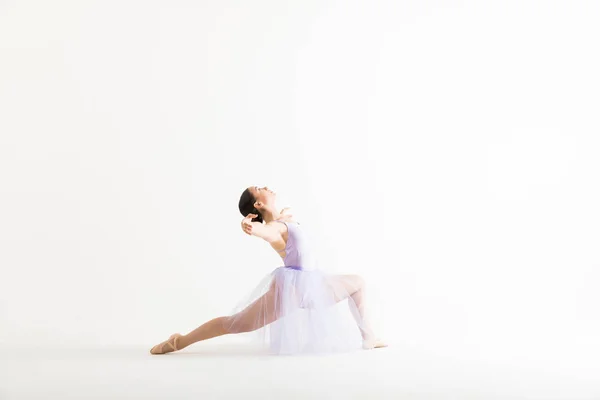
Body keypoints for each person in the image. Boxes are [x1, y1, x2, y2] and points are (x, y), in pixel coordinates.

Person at [150, 185, 387, 355]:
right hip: (291, 293)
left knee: (357, 282)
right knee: (233, 324)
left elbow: (285, 218)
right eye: (259, 188)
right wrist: (250, 226)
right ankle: (179, 342)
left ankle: (369, 338)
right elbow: (266, 231)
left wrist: (283, 215)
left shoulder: (283, 220)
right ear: (258, 203)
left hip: (314, 285)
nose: (266, 186)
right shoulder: (274, 229)